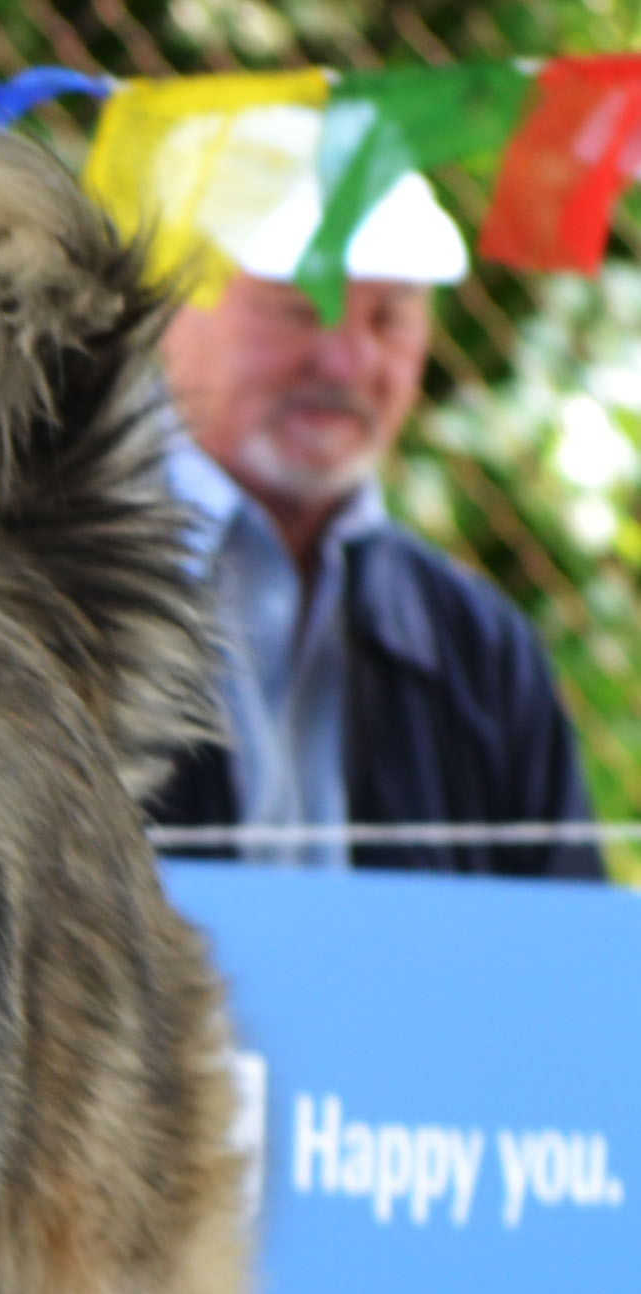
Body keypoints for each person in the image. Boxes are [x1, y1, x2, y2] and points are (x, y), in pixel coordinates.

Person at [149, 135, 604, 881]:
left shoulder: (479, 650)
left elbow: (563, 961)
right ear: (166, 313)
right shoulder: (45, 595)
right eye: (298, 309)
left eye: (388, 319)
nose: (347, 362)